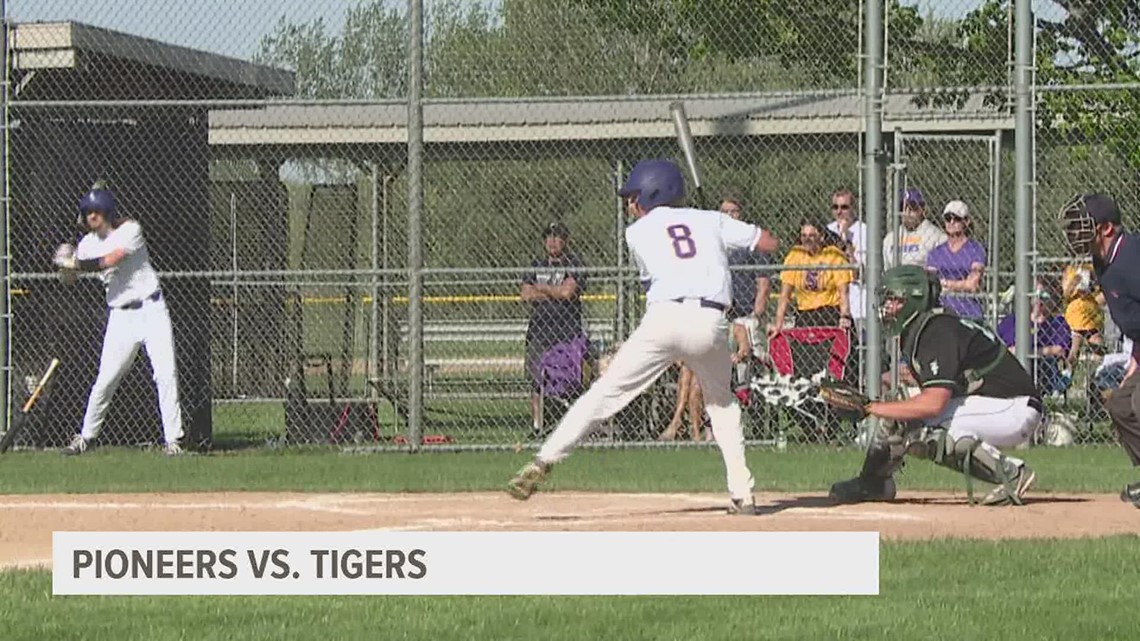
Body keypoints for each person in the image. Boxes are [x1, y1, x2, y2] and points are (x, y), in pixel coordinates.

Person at [506, 159, 779, 514]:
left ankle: (545, 458)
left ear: (652, 193)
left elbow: (660, 276)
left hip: (664, 318)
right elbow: (770, 243)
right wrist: (725, 233)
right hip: (711, 321)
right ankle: (743, 493)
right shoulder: (710, 219)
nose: (629, 205)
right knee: (722, 404)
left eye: (633, 197)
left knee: (605, 394)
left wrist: (714, 230)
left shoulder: (635, 234)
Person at [827, 265, 1042, 507]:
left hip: (1013, 408)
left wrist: (870, 407)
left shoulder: (937, 330)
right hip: (991, 402)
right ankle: (872, 482)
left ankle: (1011, 473)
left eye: (893, 300)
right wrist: (879, 406)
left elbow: (933, 403)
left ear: (913, 300)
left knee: (926, 432)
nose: (886, 308)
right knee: (901, 407)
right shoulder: (928, 326)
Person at [53, 183, 185, 456]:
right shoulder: (86, 244)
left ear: (108, 211)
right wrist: (64, 265)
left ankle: (173, 441)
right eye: (88, 212)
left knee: (165, 373)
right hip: (120, 317)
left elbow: (111, 260)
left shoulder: (130, 230)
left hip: (151, 310)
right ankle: (85, 438)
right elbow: (70, 280)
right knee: (106, 379)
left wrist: (76, 264)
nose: (92, 216)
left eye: (97, 211)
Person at [1058, 193, 1140, 508]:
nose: (1073, 233)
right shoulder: (1102, 262)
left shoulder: (1132, 257)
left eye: (1081, 226)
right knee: (1121, 404)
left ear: (1106, 229)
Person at [520, 222, 588, 438]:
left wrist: (542, 289)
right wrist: (554, 291)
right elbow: (526, 294)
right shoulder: (536, 264)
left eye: (557, 237)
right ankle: (538, 427)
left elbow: (568, 293)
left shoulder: (574, 263)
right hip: (539, 332)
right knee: (536, 380)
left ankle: (573, 425)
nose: (552, 241)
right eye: (548, 237)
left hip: (566, 332)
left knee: (572, 379)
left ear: (565, 240)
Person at [770, 219, 854, 335]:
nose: (807, 240)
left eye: (812, 236)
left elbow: (843, 292)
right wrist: (778, 324)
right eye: (803, 236)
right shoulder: (796, 255)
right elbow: (785, 295)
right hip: (805, 313)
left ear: (822, 237)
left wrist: (844, 316)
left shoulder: (833, 255)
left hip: (829, 311)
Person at [995, 276, 1072, 396]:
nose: (1039, 300)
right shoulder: (1011, 321)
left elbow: (1059, 350)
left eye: (1044, 296)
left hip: (1044, 371)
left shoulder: (1058, 323)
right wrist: (1042, 350)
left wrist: (1025, 352)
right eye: (1035, 294)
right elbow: (999, 348)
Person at [925, 200, 986, 319]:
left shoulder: (975, 249)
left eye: (957, 219)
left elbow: (972, 285)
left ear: (966, 222)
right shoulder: (936, 252)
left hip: (968, 311)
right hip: (940, 310)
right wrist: (959, 284)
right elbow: (930, 283)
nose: (951, 222)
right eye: (948, 218)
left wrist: (944, 283)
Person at [825, 188, 867, 327]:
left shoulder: (863, 231)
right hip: (832, 305)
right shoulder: (828, 230)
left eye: (844, 207)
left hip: (858, 305)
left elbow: (858, 273)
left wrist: (845, 241)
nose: (839, 212)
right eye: (835, 207)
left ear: (853, 208)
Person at [882, 188, 947, 269]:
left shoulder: (937, 237)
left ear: (923, 209)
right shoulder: (890, 238)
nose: (907, 212)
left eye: (912, 207)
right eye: (902, 207)